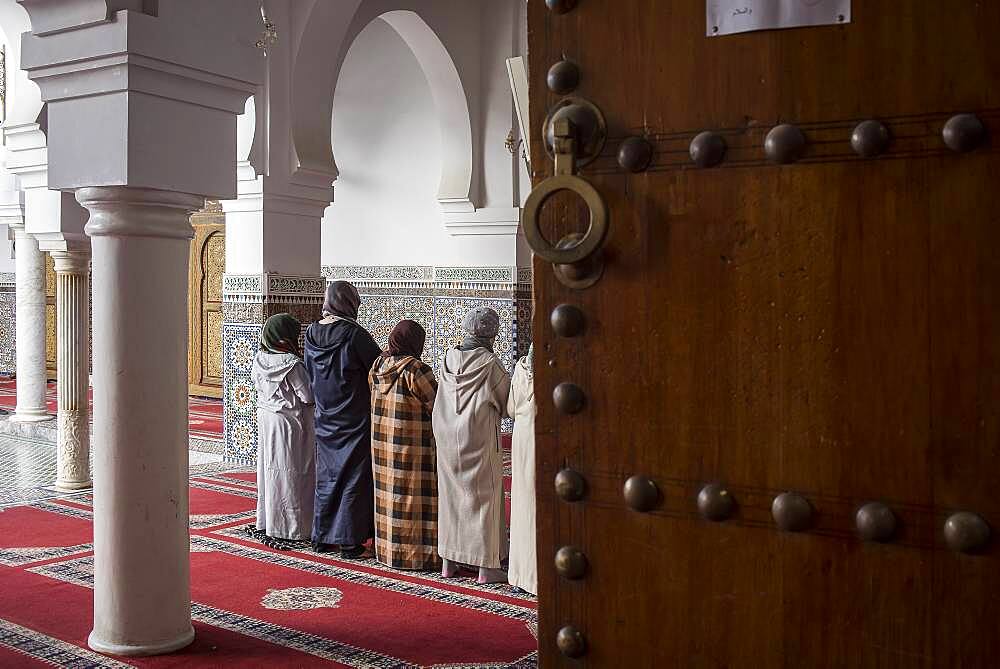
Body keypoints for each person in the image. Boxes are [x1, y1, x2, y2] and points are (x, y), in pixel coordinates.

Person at [433, 306, 511, 584]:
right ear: (493, 333)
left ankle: (449, 561)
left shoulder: (447, 357)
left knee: (452, 498)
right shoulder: (490, 364)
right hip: (477, 438)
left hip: (445, 437)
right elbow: (508, 405)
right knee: (482, 500)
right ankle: (486, 567)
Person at [305, 280, 381, 558]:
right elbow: (378, 366)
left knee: (327, 477)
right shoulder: (354, 334)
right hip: (354, 417)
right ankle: (350, 541)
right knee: (354, 478)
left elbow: (310, 371)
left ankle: (322, 537)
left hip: (325, 415)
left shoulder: (312, 332)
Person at [369, 320, 440, 570]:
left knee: (389, 498)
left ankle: (388, 552)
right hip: (413, 448)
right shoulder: (416, 370)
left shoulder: (378, 366)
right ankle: (417, 557)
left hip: (383, 446)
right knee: (413, 499)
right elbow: (438, 405)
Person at [251, 313, 315, 548]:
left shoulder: (259, 358)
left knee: (271, 471)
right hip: (289, 424)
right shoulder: (291, 364)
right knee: (292, 473)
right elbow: (307, 396)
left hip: (267, 420)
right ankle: (293, 527)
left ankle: (270, 521)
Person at [506, 344, 537, 594]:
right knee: (538, 507)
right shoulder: (556, 375)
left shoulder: (521, 369)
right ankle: (536, 578)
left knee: (522, 505)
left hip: (522, 439)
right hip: (543, 439)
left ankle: (519, 575)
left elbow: (510, 409)